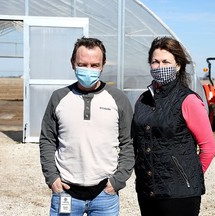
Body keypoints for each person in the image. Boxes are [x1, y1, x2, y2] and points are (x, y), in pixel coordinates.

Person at [39, 37, 134, 216]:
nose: (88, 70)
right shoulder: (59, 98)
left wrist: (118, 181)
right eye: (82, 64)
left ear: (103, 65)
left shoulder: (118, 99)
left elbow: (128, 142)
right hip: (65, 192)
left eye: (94, 65)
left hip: (104, 195)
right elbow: (47, 140)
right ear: (73, 63)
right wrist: (51, 177)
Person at [132, 36, 215, 216]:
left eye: (166, 61)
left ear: (178, 65)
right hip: (148, 191)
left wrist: (188, 176)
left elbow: (208, 148)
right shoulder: (143, 100)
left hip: (180, 195)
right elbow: (137, 141)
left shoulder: (188, 100)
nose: (160, 66)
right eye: (155, 62)